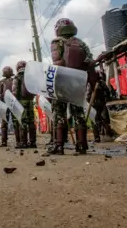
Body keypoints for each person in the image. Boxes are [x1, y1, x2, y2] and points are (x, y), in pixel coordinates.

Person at [48, 18, 94, 155]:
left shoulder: (57, 42)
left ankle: (59, 146)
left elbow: (57, 63)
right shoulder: (81, 43)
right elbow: (89, 62)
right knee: (78, 114)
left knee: (59, 114)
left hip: (62, 81)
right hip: (78, 82)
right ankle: (82, 145)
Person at [12, 60, 37, 149]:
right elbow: (34, 89)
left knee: (23, 122)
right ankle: (33, 142)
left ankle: (24, 142)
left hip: (21, 101)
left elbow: (14, 91)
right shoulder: (30, 77)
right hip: (30, 101)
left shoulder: (17, 77)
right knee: (31, 122)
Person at [86, 68, 114, 143]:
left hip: (94, 104)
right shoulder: (102, 83)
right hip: (101, 103)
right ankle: (108, 134)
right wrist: (106, 99)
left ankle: (97, 137)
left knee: (94, 120)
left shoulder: (91, 84)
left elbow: (87, 96)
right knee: (102, 119)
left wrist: (89, 102)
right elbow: (108, 92)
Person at [0, 66, 14, 147]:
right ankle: (5, 141)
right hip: (9, 104)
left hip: (9, 103)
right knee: (6, 123)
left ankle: (4, 142)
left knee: (6, 123)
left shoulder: (3, 82)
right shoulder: (12, 81)